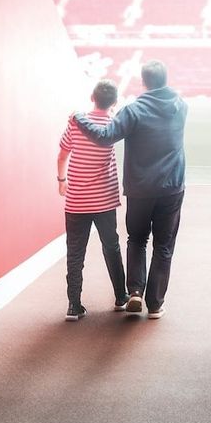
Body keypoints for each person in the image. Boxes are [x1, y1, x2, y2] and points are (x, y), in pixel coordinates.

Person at [74, 60, 187, 320]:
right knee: (164, 245)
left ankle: (135, 292)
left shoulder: (132, 111)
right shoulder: (181, 106)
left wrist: (80, 118)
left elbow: (104, 137)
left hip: (140, 189)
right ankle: (155, 305)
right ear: (166, 79)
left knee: (136, 239)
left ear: (143, 82)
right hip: (172, 187)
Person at [57, 80, 128, 321]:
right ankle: (121, 297)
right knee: (111, 247)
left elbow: (62, 155)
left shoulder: (76, 123)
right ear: (114, 102)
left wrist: (61, 180)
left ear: (92, 97)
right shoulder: (113, 124)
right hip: (104, 200)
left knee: (75, 253)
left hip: (76, 201)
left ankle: (73, 305)